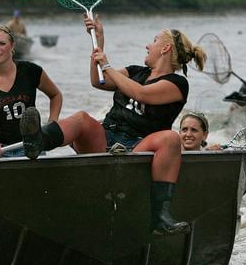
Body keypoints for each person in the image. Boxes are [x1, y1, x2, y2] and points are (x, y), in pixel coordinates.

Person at [18, 14, 206, 236]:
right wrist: (98, 41)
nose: (148, 45)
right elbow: (99, 81)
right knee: (81, 118)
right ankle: (37, 141)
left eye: (153, 41)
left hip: (138, 147)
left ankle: (160, 218)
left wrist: (107, 65)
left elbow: (140, 93)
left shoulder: (177, 84)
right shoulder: (135, 71)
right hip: (106, 136)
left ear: (165, 48)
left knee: (170, 137)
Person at [0, 25, 62, 157]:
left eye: (2, 43)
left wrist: (51, 124)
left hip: (31, 145)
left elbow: (56, 95)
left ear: (12, 46)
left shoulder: (31, 71)